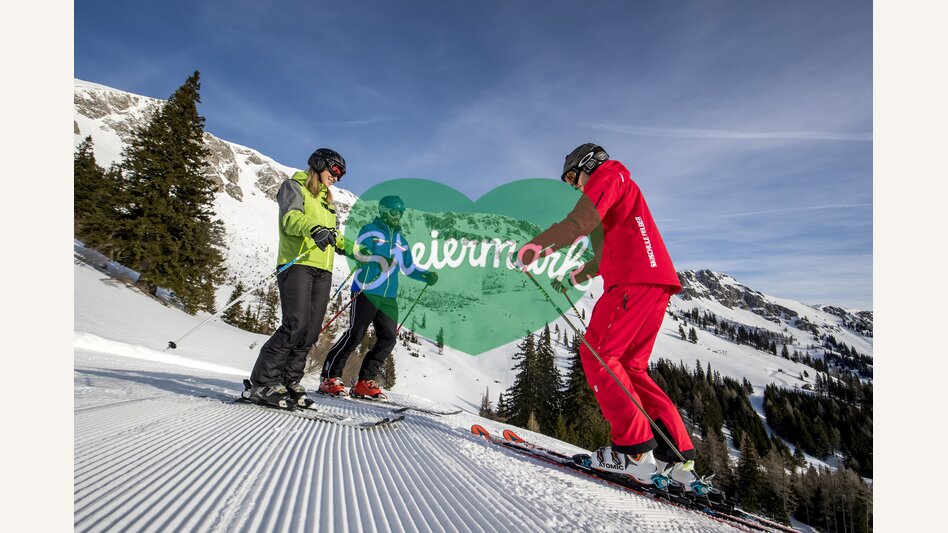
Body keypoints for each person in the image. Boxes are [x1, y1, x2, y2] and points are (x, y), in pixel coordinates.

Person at [518, 143, 701, 490]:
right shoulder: (621, 191)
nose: (574, 185)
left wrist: (534, 248)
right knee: (631, 368)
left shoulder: (609, 174)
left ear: (588, 164)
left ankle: (632, 453)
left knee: (598, 353)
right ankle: (674, 459)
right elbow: (607, 252)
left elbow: (581, 222)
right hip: (653, 282)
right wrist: (576, 276)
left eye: (573, 176)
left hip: (632, 282)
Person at [245, 148, 357, 409]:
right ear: (319, 164)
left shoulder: (327, 202)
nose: (338, 178)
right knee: (295, 324)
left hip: (322, 270)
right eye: (336, 171)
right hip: (297, 264)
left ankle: (289, 380)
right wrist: (315, 229)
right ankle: (263, 382)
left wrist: (356, 250)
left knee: (310, 329)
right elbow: (291, 219)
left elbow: (334, 235)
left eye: (342, 175)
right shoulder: (294, 187)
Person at [319, 195, 438, 400]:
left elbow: (409, 268)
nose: (397, 216)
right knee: (355, 334)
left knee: (388, 338)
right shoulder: (370, 231)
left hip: (389, 296)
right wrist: (377, 258)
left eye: (400, 212)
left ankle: (364, 382)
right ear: (383, 211)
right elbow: (359, 253)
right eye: (393, 211)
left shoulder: (402, 240)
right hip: (367, 289)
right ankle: (330, 377)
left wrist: (425, 274)